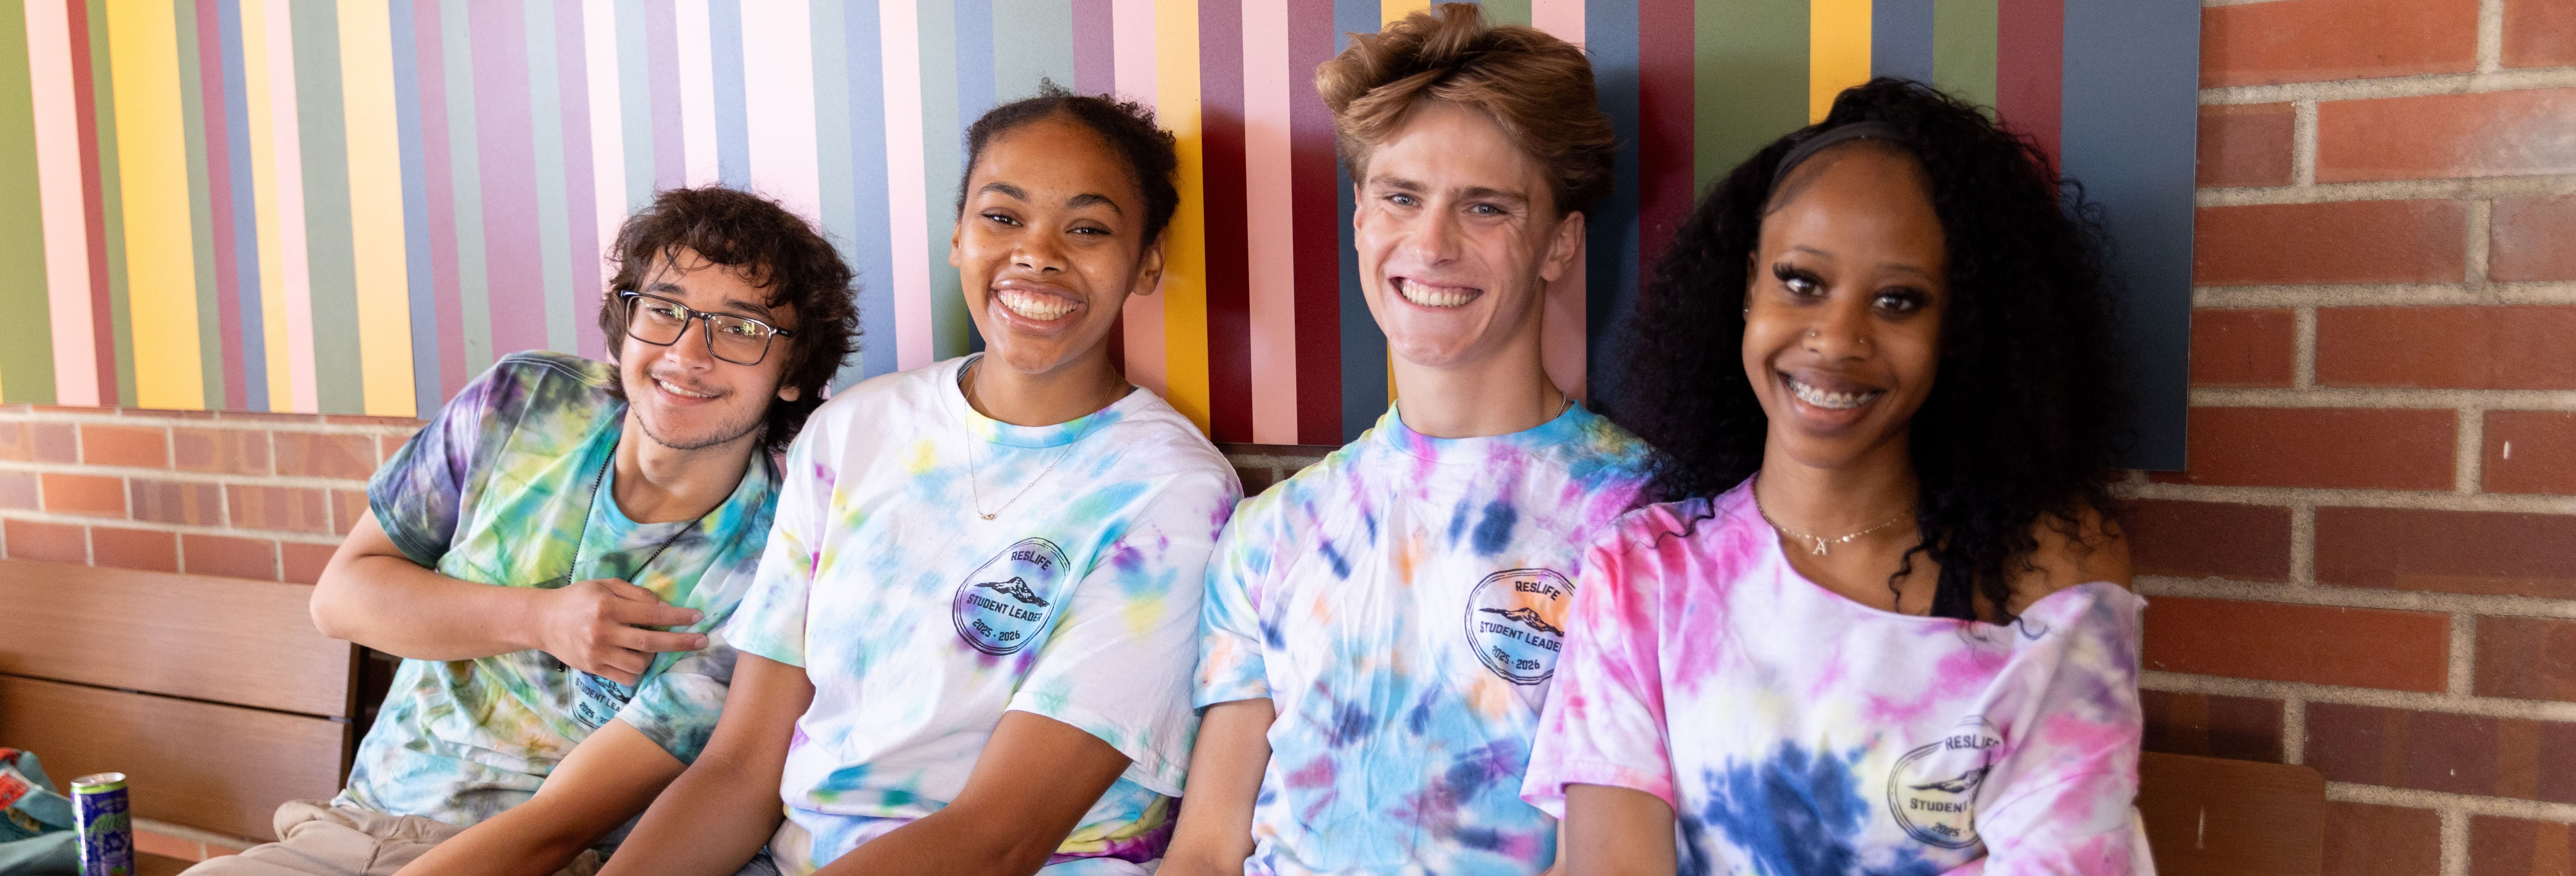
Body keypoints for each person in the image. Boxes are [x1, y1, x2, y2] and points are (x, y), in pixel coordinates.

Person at [601, 82, 1238, 876]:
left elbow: (1000, 837)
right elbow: (739, 773)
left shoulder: (1172, 493)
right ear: (959, 239)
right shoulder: (854, 432)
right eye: (1003, 217)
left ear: (1146, 263)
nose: (1038, 253)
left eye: (1088, 228)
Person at [1524, 78, 2147, 875]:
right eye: (1802, 282)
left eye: (1898, 300)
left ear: (1957, 327)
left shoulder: (2046, 568)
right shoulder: (1645, 572)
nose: (1837, 337)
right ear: (1750, 284)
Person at [187, 186, 860, 876]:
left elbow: (556, 828)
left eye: (741, 329)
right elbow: (341, 598)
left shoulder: (776, 548)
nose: (688, 352)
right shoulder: (527, 401)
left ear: (793, 374)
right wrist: (542, 619)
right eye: (664, 309)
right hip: (344, 830)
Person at [1163, 6, 1653, 875]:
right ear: (1360, 219)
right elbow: (1205, 849)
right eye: (1400, 197)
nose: (1429, 244)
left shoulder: (1639, 521)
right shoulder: (1272, 531)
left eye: (1485, 207)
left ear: (1558, 245)